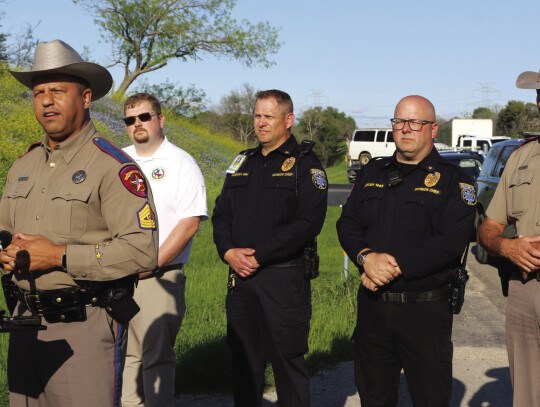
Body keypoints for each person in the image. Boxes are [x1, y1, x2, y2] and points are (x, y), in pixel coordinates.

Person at [0, 40, 158, 407]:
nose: (46, 101)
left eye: (57, 91)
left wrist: (59, 256)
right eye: (38, 92)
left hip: (82, 326)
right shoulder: (23, 166)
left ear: (86, 98)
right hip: (23, 323)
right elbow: (5, 234)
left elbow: (142, 252)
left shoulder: (113, 167)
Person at [336, 95, 476, 407]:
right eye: (399, 122)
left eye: (415, 122)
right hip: (373, 309)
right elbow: (347, 223)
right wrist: (365, 258)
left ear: (433, 129)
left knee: (430, 398)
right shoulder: (373, 172)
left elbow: (450, 242)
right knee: (374, 397)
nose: (406, 129)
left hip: (424, 313)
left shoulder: (455, 180)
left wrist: (389, 268)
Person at [211, 89, 328, 407]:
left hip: (282, 281)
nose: (261, 123)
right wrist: (228, 252)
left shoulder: (305, 165)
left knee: (286, 365)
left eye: (269, 116)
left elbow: (307, 223)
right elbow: (221, 214)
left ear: (288, 120)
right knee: (244, 365)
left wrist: (259, 256)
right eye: (257, 116)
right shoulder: (242, 161)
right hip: (241, 279)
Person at [120, 93, 208, 406]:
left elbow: (188, 224)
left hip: (157, 276)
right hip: (117, 275)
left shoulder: (181, 163)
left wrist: (149, 265)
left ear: (160, 120)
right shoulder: (118, 159)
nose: (137, 124)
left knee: (155, 358)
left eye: (144, 117)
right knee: (128, 357)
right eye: (130, 120)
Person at [478, 70, 540, 407]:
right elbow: (488, 228)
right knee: (526, 397)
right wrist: (505, 246)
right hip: (524, 290)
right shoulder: (519, 158)